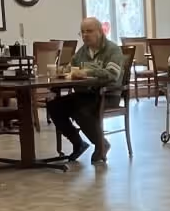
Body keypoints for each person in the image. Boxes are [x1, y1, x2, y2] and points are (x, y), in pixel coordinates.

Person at [48, 16, 124, 163]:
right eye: (82, 32)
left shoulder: (112, 50)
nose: (85, 35)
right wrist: (59, 72)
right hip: (85, 94)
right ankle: (78, 143)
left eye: (89, 31)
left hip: (107, 95)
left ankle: (101, 144)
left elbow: (112, 74)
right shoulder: (82, 51)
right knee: (54, 106)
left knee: (81, 110)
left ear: (100, 32)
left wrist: (88, 72)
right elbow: (70, 68)